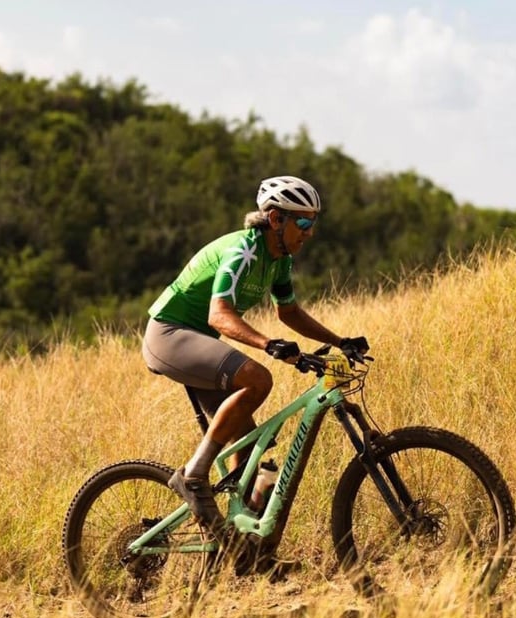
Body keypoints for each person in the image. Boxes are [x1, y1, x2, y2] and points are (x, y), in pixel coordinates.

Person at [142, 175, 368, 542]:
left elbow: (289, 312)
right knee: (258, 378)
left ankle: (247, 551)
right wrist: (268, 345)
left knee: (252, 455)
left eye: (314, 223)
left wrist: (340, 341)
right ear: (276, 219)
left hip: (198, 340)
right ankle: (194, 474)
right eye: (304, 223)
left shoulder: (279, 260)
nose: (310, 233)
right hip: (169, 335)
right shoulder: (244, 250)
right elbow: (219, 315)